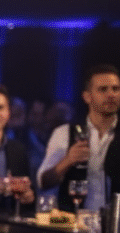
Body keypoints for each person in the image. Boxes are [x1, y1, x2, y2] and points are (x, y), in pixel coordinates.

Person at [37, 64, 120, 212]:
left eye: (116, 89)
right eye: (103, 89)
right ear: (87, 96)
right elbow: (43, 182)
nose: (111, 94)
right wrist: (67, 161)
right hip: (74, 224)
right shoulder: (64, 133)